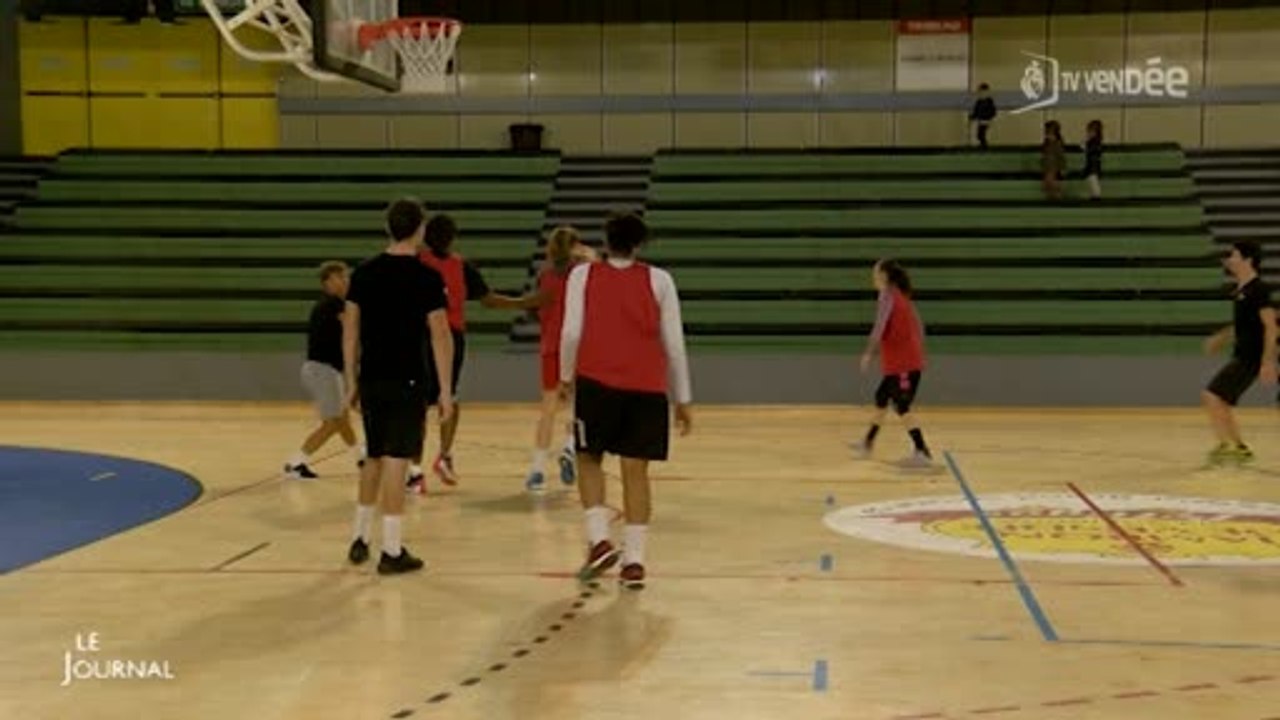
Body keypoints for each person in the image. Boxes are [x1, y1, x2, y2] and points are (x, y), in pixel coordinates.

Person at [560, 213, 692, 590]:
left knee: (588, 459)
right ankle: (634, 561)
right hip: (646, 388)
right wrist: (683, 398)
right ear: (639, 244)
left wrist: (567, 376)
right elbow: (674, 344)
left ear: (606, 240)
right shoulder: (660, 280)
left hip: (596, 384)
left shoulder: (583, 276)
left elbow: (570, 333)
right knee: (636, 473)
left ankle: (599, 539)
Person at [343, 198, 455, 575]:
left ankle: (360, 537)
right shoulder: (426, 278)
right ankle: (391, 549)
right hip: (407, 377)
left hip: (371, 376)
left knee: (374, 456)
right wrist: (445, 389)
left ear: (388, 228)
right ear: (419, 229)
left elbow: (350, 330)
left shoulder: (363, 273)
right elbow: (440, 334)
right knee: (396, 459)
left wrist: (350, 380)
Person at [408, 213, 527, 493]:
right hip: (431, 336)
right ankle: (423, 466)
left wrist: (523, 303)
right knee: (430, 402)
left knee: (437, 401)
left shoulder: (458, 266)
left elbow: (487, 298)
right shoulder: (419, 264)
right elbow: (490, 300)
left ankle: (428, 464)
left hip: (444, 337)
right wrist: (524, 303)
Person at [519, 225, 597, 493]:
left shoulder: (544, 275)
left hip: (551, 346)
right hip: (580, 345)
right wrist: (591, 257)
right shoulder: (583, 274)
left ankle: (537, 471)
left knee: (548, 410)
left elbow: (533, 309)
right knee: (580, 407)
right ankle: (569, 448)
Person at [284, 260, 364, 479]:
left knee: (341, 419)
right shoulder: (333, 305)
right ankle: (295, 463)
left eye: (347, 276)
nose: (346, 281)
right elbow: (353, 330)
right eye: (342, 277)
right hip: (321, 370)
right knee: (333, 422)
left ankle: (360, 458)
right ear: (328, 281)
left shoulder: (335, 304)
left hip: (326, 371)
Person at [1202, 240, 1277, 466]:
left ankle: (1228, 446)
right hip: (1242, 355)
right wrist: (1222, 337)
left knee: (1211, 395)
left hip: (1250, 358)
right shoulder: (1241, 291)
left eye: (1234, 255)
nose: (1230, 259)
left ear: (1248, 260)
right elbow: (1243, 325)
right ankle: (1239, 447)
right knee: (1220, 399)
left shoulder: (1259, 289)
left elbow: (1271, 326)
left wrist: (1267, 362)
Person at [854, 259, 932, 467]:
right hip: (899, 363)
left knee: (901, 406)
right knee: (881, 398)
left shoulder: (888, 296)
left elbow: (879, 328)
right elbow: (920, 327)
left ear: (885, 276)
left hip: (904, 365)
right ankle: (868, 442)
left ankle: (922, 450)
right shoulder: (901, 296)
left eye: (876, 273)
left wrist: (868, 353)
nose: (873, 278)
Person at [1041, 120, 1066, 200]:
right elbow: (1044, 154)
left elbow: (1060, 156)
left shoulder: (1057, 143)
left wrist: (1062, 167)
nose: (1047, 133)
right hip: (1047, 165)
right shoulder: (1047, 142)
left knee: (1051, 182)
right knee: (1047, 184)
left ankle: (1057, 196)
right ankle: (1052, 197)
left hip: (1053, 166)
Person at [969, 83, 997, 149]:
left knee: (981, 134)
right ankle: (983, 146)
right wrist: (972, 117)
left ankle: (984, 147)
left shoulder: (989, 101)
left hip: (986, 120)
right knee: (980, 134)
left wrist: (989, 117)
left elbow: (992, 111)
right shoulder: (979, 101)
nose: (981, 93)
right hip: (981, 120)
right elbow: (976, 111)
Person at [1083, 119, 1104, 200]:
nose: (1088, 133)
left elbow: (1092, 151)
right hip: (1092, 166)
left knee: (1093, 180)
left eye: (1090, 131)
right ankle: (1095, 195)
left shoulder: (1094, 142)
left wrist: (1086, 147)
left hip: (1093, 166)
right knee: (1092, 180)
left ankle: (1096, 195)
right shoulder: (1095, 142)